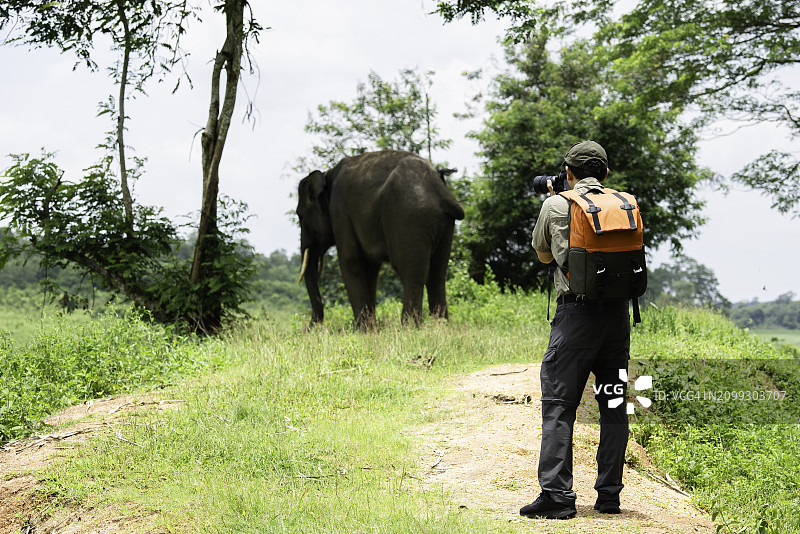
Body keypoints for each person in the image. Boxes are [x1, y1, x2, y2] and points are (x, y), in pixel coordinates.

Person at [521, 140, 630, 519]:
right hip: (617, 320)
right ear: (606, 174)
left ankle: (557, 496)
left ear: (568, 172)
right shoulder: (625, 203)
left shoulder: (556, 204)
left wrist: (558, 200)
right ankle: (609, 496)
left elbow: (544, 254)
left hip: (576, 319)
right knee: (614, 405)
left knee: (558, 405)